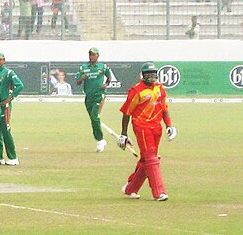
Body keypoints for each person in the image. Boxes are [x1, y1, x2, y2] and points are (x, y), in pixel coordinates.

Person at [118, 62, 177, 201]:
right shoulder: (136, 90)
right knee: (151, 159)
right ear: (142, 76)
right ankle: (159, 192)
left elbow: (164, 108)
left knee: (146, 159)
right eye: (148, 74)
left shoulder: (159, 89)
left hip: (157, 127)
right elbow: (127, 112)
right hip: (142, 127)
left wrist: (169, 125)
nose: (151, 76)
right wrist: (124, 134)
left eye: (153, 74)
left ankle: (131, 188)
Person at [75, 47, 112, 152]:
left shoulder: (102, 67)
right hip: (88, 96)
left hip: (99, 95)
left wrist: (106, 84)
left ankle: (100, 140)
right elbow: (77, 82)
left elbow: (109, 77)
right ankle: (100, 139)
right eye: (90, 55)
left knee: (94, 116)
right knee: (93, 119)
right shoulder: (83, 68)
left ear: (98, 56)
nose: (92, 57)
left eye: (94, 55)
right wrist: (81, 79)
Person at [0, 52, 24, 165]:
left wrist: (10, 98)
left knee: (5, 130)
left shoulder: (9, 73)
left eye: (0, 59)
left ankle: (13, 157)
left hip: (4, 105)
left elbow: (19, 85)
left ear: (4, 60)